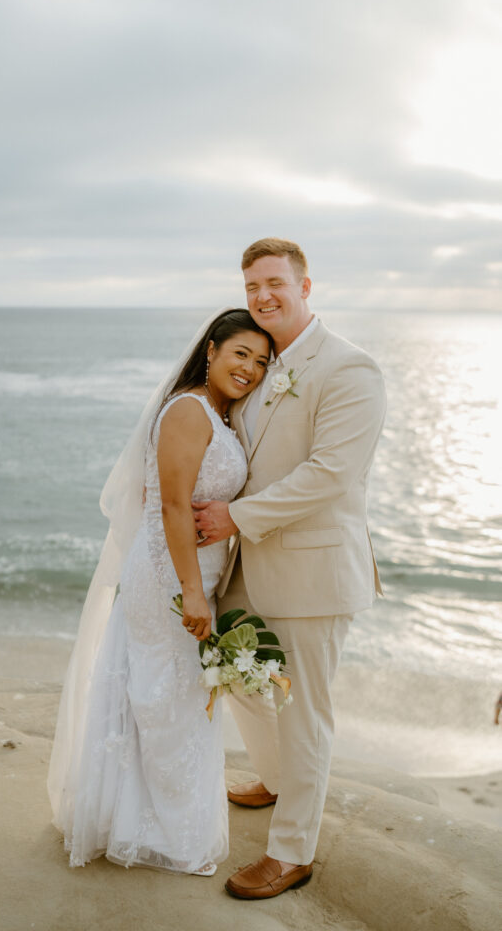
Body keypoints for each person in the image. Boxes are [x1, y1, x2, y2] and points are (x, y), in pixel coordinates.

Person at [193, 238, 386, 900]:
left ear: (305, 286)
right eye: (250, 287)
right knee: (232, 671)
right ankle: (275, 779)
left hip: (311, 570)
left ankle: (290, 851)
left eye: (273, 283)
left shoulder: (348, 369)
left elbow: (330, 475)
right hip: (249, 564)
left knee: (304, 712)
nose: (261, 297)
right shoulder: (264, 360)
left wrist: (235, 518)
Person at [48, 308, 272, 875]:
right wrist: (192, 591)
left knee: (172, 698)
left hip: (192, 575)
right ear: (212, 350)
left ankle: (146, 821)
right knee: (163, 697)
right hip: (168, 577)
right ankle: (156, 830)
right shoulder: (188, 409)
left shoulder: (219, 415)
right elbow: (170, 504)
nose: (250, 368)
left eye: (262, 362)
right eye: (240, 354)